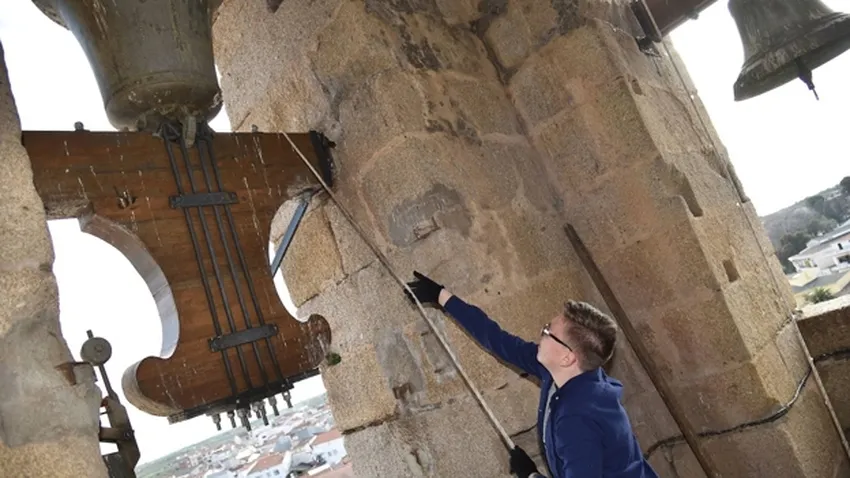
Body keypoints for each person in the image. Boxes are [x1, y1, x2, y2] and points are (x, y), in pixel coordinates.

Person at [405, 271, 658, 478]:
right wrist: (441, 296)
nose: (542, 333)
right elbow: (499, 340)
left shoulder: (577, 420)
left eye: (549, 332)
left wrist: (532, 475)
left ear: (568, 357)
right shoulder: (568, 374)